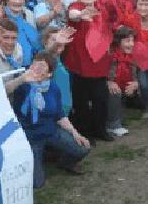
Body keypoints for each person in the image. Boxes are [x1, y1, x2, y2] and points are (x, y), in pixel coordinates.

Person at [7, 52, 90, 189]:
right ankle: (38, 158)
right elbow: (4, 89)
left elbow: (60, 115)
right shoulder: (23, 84)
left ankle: (64, 162)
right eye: (34, 64)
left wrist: (75, 133)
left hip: (51, 132)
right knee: (37, 183)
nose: (36, 68)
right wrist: (21, 79)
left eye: (41, 66)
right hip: (30, 138)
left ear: (49, 73)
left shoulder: (53, 87)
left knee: (83, 148)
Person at [64, 0, 118, 142]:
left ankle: (100, 130)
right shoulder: (76, 6)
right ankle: (85, 133)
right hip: (79, 64)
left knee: (100, 99)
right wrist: (81, 14)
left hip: (99, 63)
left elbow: (113, 21)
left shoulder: (102, 9)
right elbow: (72, 15)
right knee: (81, 102)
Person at [106, 26, 140, 137]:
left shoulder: (133, 56)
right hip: (109, 86)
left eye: (132, 41)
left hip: (124, 85)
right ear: (118, 41)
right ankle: (112, 125)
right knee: (115, 91)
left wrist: (135, 84)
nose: (131, 44)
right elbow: (103, 74)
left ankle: (117, 118)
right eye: (127, 41)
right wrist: (109, 82)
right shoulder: (110, 55)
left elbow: (135, 74)